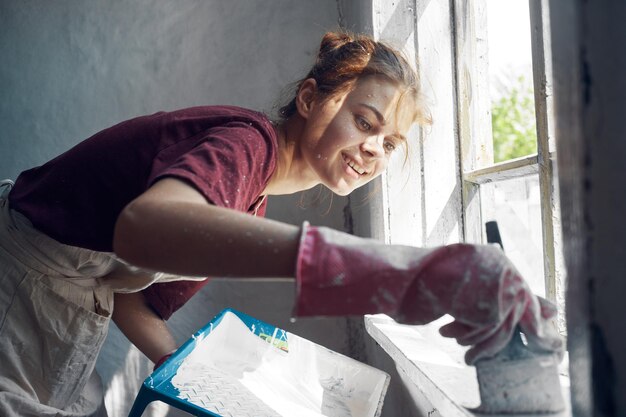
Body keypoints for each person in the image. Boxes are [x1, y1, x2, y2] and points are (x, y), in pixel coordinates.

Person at [0, 31, 562, 416]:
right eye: (364, 122)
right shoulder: (245, 144)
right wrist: (396, 270)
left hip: (63, 313)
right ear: (311, 97)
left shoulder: (248, 203)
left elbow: (132, 301)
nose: (373, 150)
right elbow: (143, 227)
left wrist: (193, 376)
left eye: (390, 144)